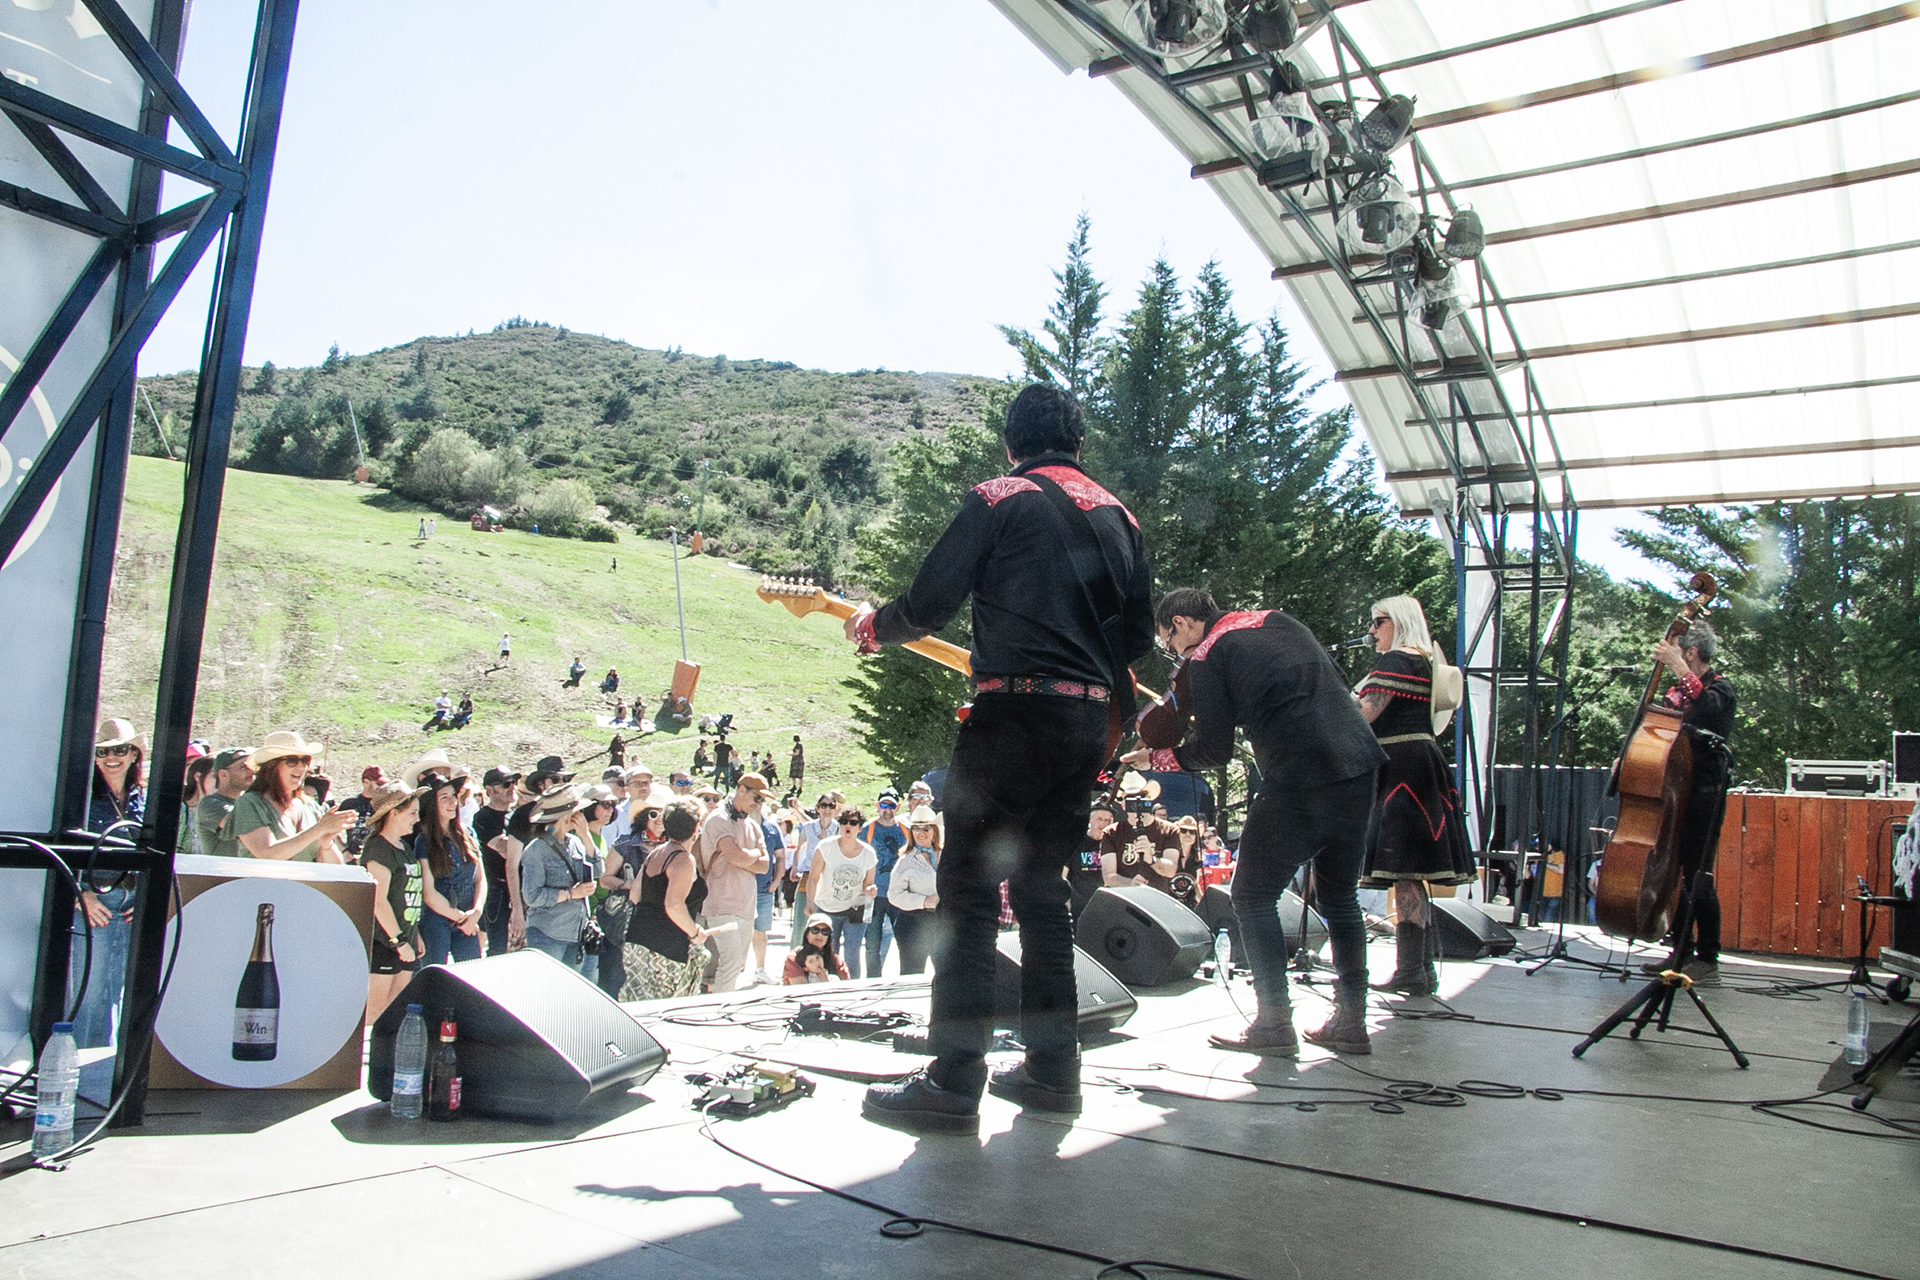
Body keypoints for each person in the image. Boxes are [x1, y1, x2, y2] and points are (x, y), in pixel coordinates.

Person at [847, 382, 1155, 1134]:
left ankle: (955, 1080)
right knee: (1044, 892)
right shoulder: (1121, 517)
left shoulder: (1000, 494)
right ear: (1078, 446)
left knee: (969, 892)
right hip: (1085, 725)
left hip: (1011, 713)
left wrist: (873, 623)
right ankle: (1054, 1072)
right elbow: (1139, 641)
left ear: (1012, 445)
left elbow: (928, 602)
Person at [1127, 587, 1384, 1058]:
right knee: (1340, 895)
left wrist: (1159, 758)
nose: (1174, 654)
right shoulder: (1277, 619)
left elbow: (1213, 751)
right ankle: (1351, 1020)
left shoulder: (1206, 654)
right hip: (1359, 763)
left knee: (1251, 894)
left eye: (1169, 642)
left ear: (1181, 623)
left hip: (1300, 773)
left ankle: (1273, 1022)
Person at [1354, 595, 1474, 996]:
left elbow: (1365, 713)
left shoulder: (1399, 660)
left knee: (1404, 870)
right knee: (1410, 872)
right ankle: (1419, 970)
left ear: (1398, 620)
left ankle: (1411, 971)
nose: (1372, 631)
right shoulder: (1424, 659)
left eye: (1378, 621)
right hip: (1418, 763)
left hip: (1404, 768)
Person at [1642, 619, 1736, 985]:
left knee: (1699, 874)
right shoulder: (1678, 692)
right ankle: (1678, 950)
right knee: (1675, 872)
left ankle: (1708, 953)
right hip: (1677, 792)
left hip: (1706, 796)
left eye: (1680, 653)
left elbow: (1708, 712)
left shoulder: (1721, 689)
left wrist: (1678, 667)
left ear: (1692, 653)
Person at [66, 719, 150, 1100]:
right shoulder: (81, 798)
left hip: (132, 902)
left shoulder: (142, 800)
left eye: (120, 749)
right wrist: (83, 894)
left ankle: (107, 1076)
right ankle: (77, 1078)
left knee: (120, 988)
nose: (112, 758)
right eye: (103, 751)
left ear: (135, 754)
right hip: (94, 902)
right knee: (89, 987)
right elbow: (64, 851)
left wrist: (146, 894)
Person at [619, 798, 712, 1001]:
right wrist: (695, 933)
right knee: (666, 1010)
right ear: (696, 827)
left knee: (638, 1008)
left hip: (637, 942)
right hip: (665, 949)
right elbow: (674, 905)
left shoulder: (656, 853)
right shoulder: (683, 860)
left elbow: (635, 895)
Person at [361, 781, 429, 1024]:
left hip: (406, 940)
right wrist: (399, 942)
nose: (416, 819)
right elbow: (379, 902)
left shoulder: (403, 847)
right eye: (412, 813)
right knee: (375, 1012)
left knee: (396, 1011)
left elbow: (408, 896)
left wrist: (415, 934)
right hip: (385, 942)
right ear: (393, 813)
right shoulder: (378, 849)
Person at [518, 783, 604, 975]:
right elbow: (532, 896)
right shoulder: (536, 849)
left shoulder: (575, 843)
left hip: (576, 932)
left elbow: (599, 869)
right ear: (565, 816)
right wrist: (571, 893)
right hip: (548, 933)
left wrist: (585, 836)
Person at [697, 773, 771, 992]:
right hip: (720, 903)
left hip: (746, 906)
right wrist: (755, 853)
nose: (758, 804)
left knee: (737, 965)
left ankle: (720, 1005)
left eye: (762, 801)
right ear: (741, 790)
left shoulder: (753, 825)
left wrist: (746, 856)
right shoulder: (718, 819)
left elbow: (765, 866)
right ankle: (720, 1011)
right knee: (729, 962)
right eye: (756, 797)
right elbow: (734, 856)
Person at [233, 732, 356, 863]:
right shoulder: (250, 803)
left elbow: (335, 869)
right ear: (271, 766)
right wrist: (319, 829)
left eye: (305, 761)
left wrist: (326, 843)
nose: (301, 767)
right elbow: (267, 854)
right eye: (292, 760)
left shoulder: (310, 805)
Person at [415, 775, 488, 964]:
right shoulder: (424, 841)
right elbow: (428, 893)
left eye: (454, 795)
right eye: (444, 797)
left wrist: (476, 913)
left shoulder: (468, 834)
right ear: (431, 804)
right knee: (435, 974)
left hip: (467, 915)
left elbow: (480, 879)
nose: (452, 802)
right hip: (437, 920)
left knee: (472, 975)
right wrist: (460, 918)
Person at [601, 789, 666, 997]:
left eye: (663, 814)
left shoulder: (673, 847)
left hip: (659, 920)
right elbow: (605, 879)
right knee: (617, 976)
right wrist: (630, 884)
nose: (658, 819)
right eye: (652, 814)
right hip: (625, 922)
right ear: (642, 817)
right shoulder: (625, 843)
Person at [808, 806, 878, 974]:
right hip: (827, 907)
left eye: (853, 823)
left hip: (854, 909)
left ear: (860, 828)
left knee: (852, 953)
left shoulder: (868, 853)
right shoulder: (825, 847)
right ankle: (827, 986)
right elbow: (813, 877)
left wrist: (870, 889)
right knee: (828, 953)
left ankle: (851, 988)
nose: (848, 826)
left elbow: (868, 883)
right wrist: (810, 903)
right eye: (844, 822)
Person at [1098, 773, 1184, 895]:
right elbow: (1108, 876)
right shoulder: (1111, 832)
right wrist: (1130, 883)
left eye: (1141, 796)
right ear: (1122, 804)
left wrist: (1152, 858)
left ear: (1149, 800)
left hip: (1158, 898)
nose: (1137, 802)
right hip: (1125, 900)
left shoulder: (1169, 830)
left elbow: (1170, 871)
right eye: (1130, 798)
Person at [472, 765, 525, 956]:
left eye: (514, 783)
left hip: (521, 887)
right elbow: (506, 851)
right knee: (499, 948)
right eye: (505, 784)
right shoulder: (483, 818)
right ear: (489, 790)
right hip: (498, 892)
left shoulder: (516, 815)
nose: (512, 787)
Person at [858, 791, 909, 976]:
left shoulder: (905, 829)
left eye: (891, 806)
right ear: (877, 806)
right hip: (875, 893)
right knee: (872, 941)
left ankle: (907, 976)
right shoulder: (868, 828)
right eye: (884, 805)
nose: (887, 810)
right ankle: (873, 978)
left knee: (904, 939)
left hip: (899, 893)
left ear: (898, 807)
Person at [890, 806, 942, 975]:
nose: (921, 833)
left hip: (941, 921)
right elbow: (894, 894)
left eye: (926, 828)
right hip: (913, 922)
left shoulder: (945, 856)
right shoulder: (906, 861)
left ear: (934, 830)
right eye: (916, 829)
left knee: (945, 971)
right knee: (912, 972)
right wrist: (923, 901)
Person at [789, 791, 840, 938]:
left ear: (835, 809)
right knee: (801, 925)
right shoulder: (808, 827)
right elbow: (800, 847)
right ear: (817, 808)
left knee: (824, 926)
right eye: (823, 806)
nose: (827, 810)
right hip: (808, 875)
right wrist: (794, 867)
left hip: (828, 878)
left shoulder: (838, 829)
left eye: (831, 806)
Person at [194, 747, 256, 859]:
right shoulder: (210, 804)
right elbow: (242, 825)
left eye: (252, 767)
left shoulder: (252, 802)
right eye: (244, 767)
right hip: (222, 874)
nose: (251, 771)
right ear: (223, 774)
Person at [752, 802, 787, 984]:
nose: (756, 803)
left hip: (764, 889)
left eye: (760, 799)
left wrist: (775, 882)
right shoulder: (738, 824)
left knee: (760, 931)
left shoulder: (772, 828)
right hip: (740, 889)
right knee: (738, 932)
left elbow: (780, 856)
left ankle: (759, 969)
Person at [783, 915, 851, 984]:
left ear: (828, 938)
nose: (819, 935)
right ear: (807, 934)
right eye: (815, 930)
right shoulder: (794, 958)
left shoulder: (836, 962)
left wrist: (826, 981)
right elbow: (800, 990)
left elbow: (846, 988)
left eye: (825, 931)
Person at [176, 752, 218, 856]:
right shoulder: (178, 808)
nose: (221, 781)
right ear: (198, 776)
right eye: (215, 775)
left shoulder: (227, 808)